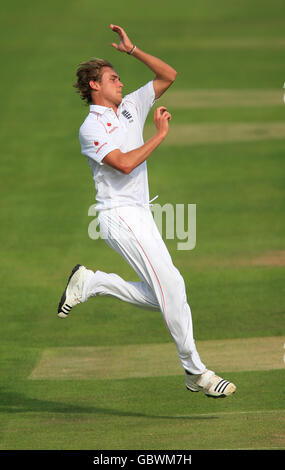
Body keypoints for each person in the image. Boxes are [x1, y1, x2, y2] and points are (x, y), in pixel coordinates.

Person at [57, 24, 236, 398]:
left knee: (167, 294)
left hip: (139, 214)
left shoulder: (130, 107)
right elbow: (122, 163)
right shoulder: (90, 128)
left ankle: (92, 283)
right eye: (112, 78)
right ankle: (196, 372)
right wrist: (159, 136)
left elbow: (168, 75)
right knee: (172, 287)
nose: (121, 83)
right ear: (94, 86)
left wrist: (132, 49)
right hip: (117, 215)